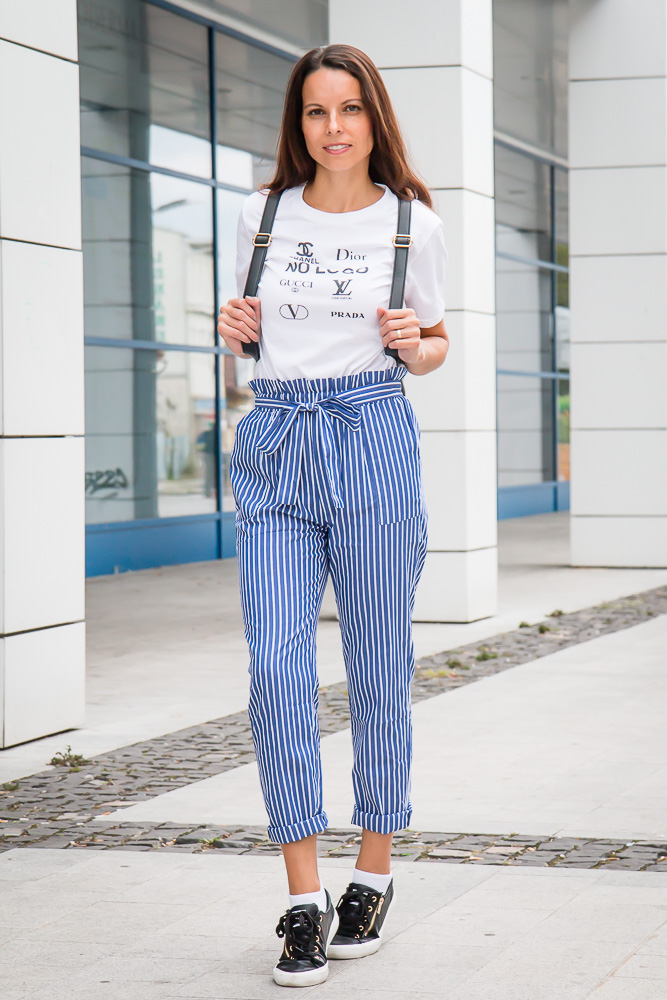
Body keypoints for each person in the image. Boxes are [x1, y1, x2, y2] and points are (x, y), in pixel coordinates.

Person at [217, 43, 449, 988]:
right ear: (297, 123)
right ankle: (302, 899)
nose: (334, 127)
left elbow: (433, 343)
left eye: (349, 109)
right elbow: (244, 347)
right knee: (276, 668)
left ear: (372, 117)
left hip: (370, 437)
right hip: (273, 443)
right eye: (316, 112)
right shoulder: (258, 215)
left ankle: (373, 871)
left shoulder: (412, 223)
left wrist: (414, 345)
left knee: (378, 664)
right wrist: (231, 334)